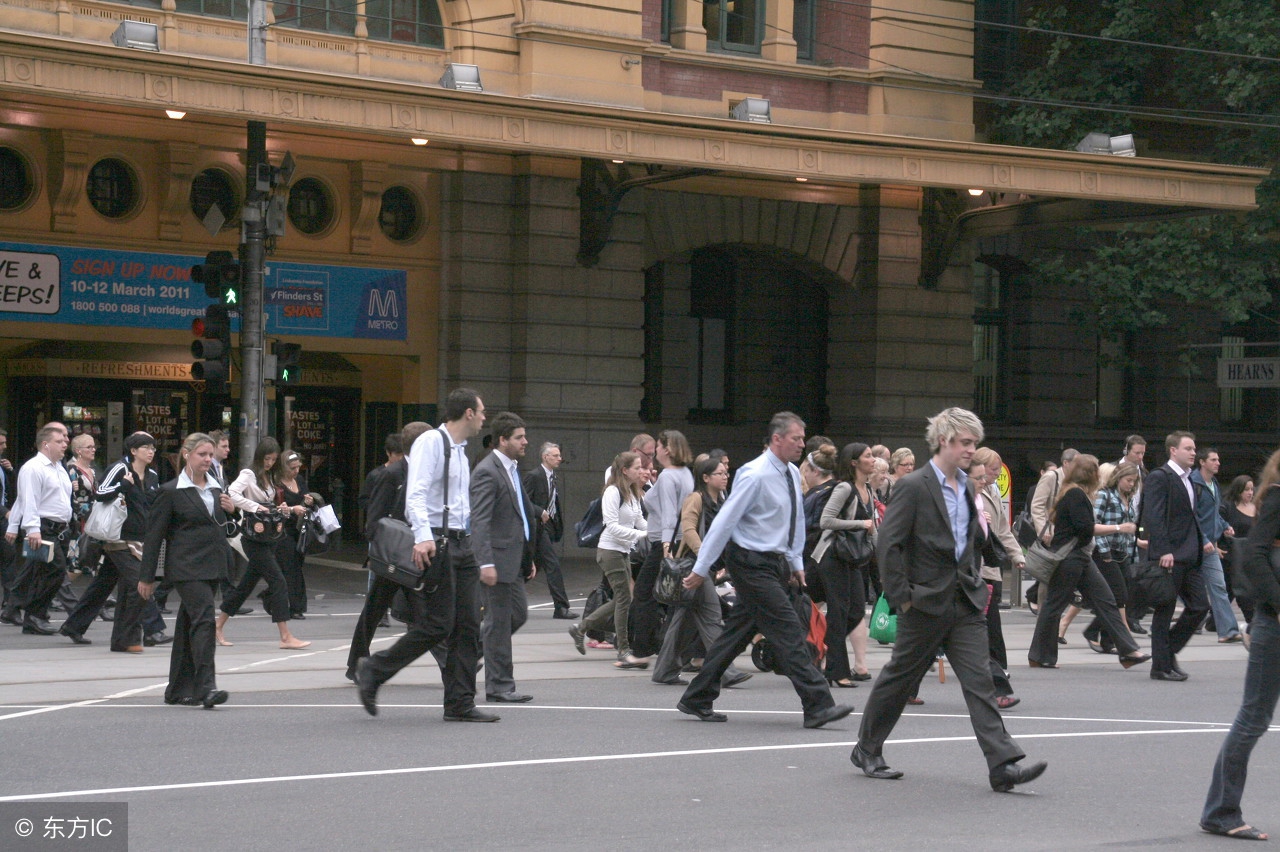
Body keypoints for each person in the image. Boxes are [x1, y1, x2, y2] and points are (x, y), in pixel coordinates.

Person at [850, 407, 1046, 791]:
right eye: (966, 442)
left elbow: (970, 543)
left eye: (975, 442)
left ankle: (1003, 765)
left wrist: (973, 577)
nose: (972, 449)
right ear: (944, 440)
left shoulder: (970, 487)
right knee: (898, 679)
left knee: (979, 683)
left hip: (964, 602)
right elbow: (888, 545)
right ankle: (867, 748)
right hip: (922, 604)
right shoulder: (914, 486)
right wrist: (901, 597)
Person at [676, 412, 852, 729]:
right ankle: (817, 705)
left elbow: (794, 522)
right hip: (749, 562)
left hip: (773, 563)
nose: (802, 443)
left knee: (737, 633)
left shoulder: (787, 474)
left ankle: (697, 696)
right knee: (788, 629)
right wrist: (702, 568)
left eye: (802, 438)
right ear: (777, 439)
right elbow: (724, 522)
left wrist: (796, 564)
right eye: (796, 438)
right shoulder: (755, 475)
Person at [354, 389, 496, 722]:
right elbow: (415, 495)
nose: (485, 417)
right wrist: (423, 537)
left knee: (468, 626)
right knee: (439, 624)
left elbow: (461, 505)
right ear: (468, 413)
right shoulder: (432, 442)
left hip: (462, 544)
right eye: (482, 411)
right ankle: (374, 669)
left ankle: (460, 703)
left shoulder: (460, 450)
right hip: (441, 543)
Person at [1199, 447, 1280, 842]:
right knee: (1252, 719)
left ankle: (1220, 810)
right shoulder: (1278, 497)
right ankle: (1221, 812)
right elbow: (1255, 557)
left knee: (1253, 719)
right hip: (1274, 626)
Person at [139, 432, 237, 709]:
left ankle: (177, 690)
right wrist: (147, 576)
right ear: (186, 454)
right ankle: (207, 687)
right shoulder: (170, 491)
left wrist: (231, 512)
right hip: (185, 567)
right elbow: (154, 536)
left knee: (187, 626)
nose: (207, 459)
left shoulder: (216, 487)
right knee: (205, 620)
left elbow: (224, 528)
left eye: (210, 454)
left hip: (213, 565)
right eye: (201, 454)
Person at [1026, 454, 1149, 670]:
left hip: (1078, 557)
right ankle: (1039, 655)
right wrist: (1120, 528)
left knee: (1104, 601)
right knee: (1059, 606)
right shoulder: (1076, 494)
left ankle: (1128, 651)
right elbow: (1085, 527)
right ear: (1090, 474)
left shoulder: (1073, 492)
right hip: (1071, 558)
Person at [651, 456, 751, 689]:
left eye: (726, 472)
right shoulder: (695, 498)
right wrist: (707, 556)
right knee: (711, 616)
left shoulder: (723, 500)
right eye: (720, 473)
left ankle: (665, 670)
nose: (725, 476)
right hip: (694, 565)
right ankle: (726, 671)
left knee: (683, 621)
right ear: (705, 477)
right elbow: (688, 530)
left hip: (705, 565)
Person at [345, 422, 429, 681]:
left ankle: (355, 663)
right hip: (394, 555)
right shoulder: (392, 474)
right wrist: (381, 551)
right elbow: (374, 518)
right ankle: (453, 662)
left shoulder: (418, 472)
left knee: (417, 612)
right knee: (419, 613)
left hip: (409, 554)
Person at [216, 437, 310, 650]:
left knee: (245, 587)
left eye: (273, 459)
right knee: (278, 581)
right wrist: (255, 507)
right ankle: (285, 636)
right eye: (267, 459)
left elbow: (270, 506)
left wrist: (288, 509)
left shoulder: (269, 476)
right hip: (254, 538)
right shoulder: (249, 474)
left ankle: (218, 625)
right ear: (260, 457)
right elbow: (232, 493)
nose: (269, 463)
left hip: (268, 537)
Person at [473, 412, 539, 704]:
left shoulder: (511, 469)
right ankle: (499, 686)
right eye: (519, 437)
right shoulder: (488, 470)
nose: (525, 442)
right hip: (496, 561)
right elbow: (480, 520)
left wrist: (528, 556)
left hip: (513, 558)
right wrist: (484, 561)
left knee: (517, 615)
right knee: (499, 622)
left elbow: (522, 515)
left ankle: (465, 652)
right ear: (502, 440)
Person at [1142, 431, 1210, 682]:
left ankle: (1167, 652)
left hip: (1190, 555)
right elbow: (1155, 516)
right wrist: (1163, 550)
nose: (1194, 453)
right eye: (1189, 448)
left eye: (1194, 448)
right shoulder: (1161, 477)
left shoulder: (1188, 479)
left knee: (1200, 605)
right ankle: (1161, 666)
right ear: (1173, 450)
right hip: (1170, 555)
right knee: (1164, 611)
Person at [569, 451, 648, 666]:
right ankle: (623, 650)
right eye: (637, 467)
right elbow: (612, 527)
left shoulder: (633, 493)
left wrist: (656, 532)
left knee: (623, 598)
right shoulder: (613, 492)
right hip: (609, 551)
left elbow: (640, 520)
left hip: (622, 551)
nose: (641, 471)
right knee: (624, 599)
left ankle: (581, 628)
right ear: (625, 470)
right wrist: (643, 535)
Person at [812, 442, 878, 688]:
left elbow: (873, 527)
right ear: (854, 462)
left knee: (856, 611)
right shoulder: (844, 488)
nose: (872, 460)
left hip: (852, 557)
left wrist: (885, 554)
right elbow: (826, 521)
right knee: (839, 613)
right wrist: (859, 524)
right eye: (868, 456)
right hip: (833, 556)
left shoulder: (868, 489)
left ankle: (820, 649)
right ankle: (837, 672)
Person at [630, 429, 695, 660]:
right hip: (680, 539)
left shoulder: (669, 475)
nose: (655, 450)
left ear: (667, 449)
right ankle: (675, 647)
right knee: (675, 596)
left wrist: (666, 546)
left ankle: (643, 648)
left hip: (664, 542)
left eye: (658, 446)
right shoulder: (684, 473)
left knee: (644, 592)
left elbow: (669, 514)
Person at [3, 422, 73, 635]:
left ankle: (25, 614)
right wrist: (30, 528)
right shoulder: (33, 468)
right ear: (45, 444)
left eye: (65, 440)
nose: (65, 444)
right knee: (56, 571)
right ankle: (34, 614)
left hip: (60, 529)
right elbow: (28, 500)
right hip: (43, 527)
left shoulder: (59, 467)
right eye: (59, 441)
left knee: (37, 572)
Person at [970, 447, 1024, 709]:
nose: (989, 478)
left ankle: (998, 679)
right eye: (987, 473)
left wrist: (1016, 555)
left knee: (984, 626)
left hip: (979, 570)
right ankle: (903, 687)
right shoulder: (960, 497)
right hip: (961, 574)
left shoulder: (987, 494)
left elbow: (1001, 532)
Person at [1079, 462, 1142, 653]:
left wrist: (1137, 542)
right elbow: (1094, 524)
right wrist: (1107, 547)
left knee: (1124, 594)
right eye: (1128, 480)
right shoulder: (1105, 495)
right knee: (1118, 595)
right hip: (1104, 550)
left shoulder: (1129, 499)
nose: (1131, 484)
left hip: (1122, 550)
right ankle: (1099, 632)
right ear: (1118, 478)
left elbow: (1131, 527)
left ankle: (1105, 638)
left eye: (1134, 481)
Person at [1192, 447, 1243, 644]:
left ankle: (1228, 631)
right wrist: (1203, 539)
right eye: (1213, 459)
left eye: (1218, 459)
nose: (1218, 463)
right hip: (1194, 545)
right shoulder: (1193, 483)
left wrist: (1224, 526)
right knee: (1179, 587)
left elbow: (1213, 514)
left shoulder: (1213, 483)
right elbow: (1192, 515)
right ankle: (1161, 625)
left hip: (1209, 547)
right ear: (1202, 462)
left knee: (1219, 587)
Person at [524, 441, 575, 619]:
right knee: (553, 564)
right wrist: (540, 512)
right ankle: (561, 607)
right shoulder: (534, 476)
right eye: (556, 455)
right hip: (538, 527)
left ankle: (497, 598)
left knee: (529, 568)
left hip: (549, 527)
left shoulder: (552, 476)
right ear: (546, 457)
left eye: (559, 455)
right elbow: (523, 501)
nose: (560, 459)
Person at [272, 450, 315, 620]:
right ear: (284, 467)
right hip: (283, 531)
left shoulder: (300, 480)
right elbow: (274, 508)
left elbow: (305, 499)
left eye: (298, 467)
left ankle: (271, 598)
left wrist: (308, 501)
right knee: (291, 568)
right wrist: (292, 509)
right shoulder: (276, 484)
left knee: (295, 566)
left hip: (299, 530)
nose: (296, 471)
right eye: (292, 468)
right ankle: (296, 606)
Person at [1221, 474, 1257, 630]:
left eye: (1251, 489)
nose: (1250, 493)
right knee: (1234, 590)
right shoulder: (1228, 507)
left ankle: (1213, 620)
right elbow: (1219, 526)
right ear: (1238, 490)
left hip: (1252, 556)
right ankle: (1252, 621)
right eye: (1246, 490)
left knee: (1237, 591)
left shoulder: (1257, 508)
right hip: (1232, 556)